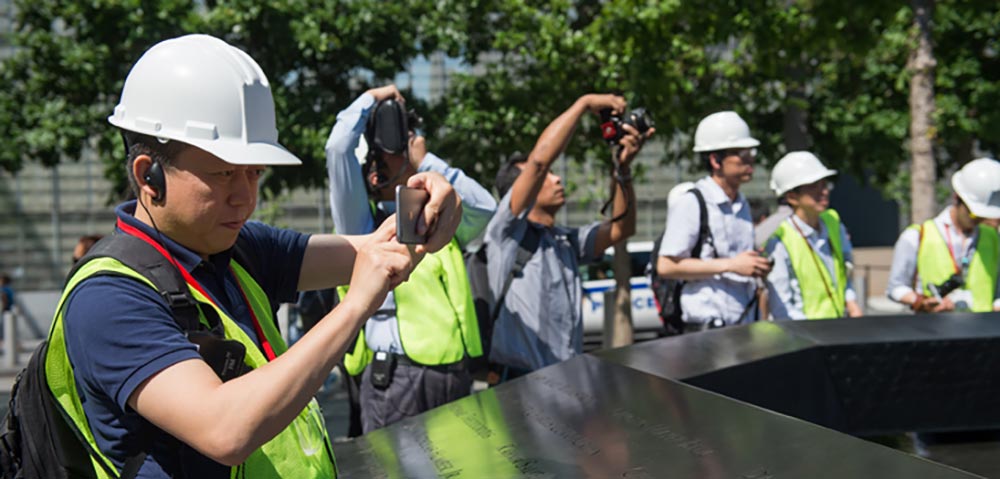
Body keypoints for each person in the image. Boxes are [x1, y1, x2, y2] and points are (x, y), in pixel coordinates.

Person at [52, 34, 461, 478]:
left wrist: (428, 214)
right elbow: (224, 430)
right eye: (224, 173)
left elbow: (377, 253)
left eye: (255, 173)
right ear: (148, 175)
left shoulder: (239, 247)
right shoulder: (109, 296)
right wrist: (356, 304)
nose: (245, 198)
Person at [325, 84, 497, 432]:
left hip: (452, 374)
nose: (397, 151)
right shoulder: (360, 223)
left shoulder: (438, 220)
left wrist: (425, 162)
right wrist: (374, 98)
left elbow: (485, 207)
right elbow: (337, 146)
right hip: (397, 378)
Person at [486, 93, 653, 378]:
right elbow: (538, 162)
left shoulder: (564, 241)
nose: (557, 178)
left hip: (567, 380)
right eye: (547, 176)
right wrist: (584, 104)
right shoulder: (506, 234)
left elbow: (620, 229)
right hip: (518, 383)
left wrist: (622, 168)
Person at [656, 111, 772, 330]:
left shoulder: (742, 205)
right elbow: (666, 265)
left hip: (743, 323)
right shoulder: (693, 202)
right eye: (740, 153)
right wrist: (732, 265)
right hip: (706, 328)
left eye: (750, 151)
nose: (750, 158)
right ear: (715, 160)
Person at [886, 158, 1000, 313]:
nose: (979, 220)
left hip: (983, 333)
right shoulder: (917, 236)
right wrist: (921, 302)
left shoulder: (992, 237)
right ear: (956, 199)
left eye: (983, 215)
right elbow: (895, 287)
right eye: (974, 214)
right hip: (934, 332)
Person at [763, 151, 863, 320]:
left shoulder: (833, 223)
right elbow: (782, 307)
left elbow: (844, 274)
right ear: (792, 197)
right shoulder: (779, 241)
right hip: (803, 336)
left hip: (837, 330)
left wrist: (852, 305)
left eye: (823, 184)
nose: (823, 191)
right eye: (813, 186)